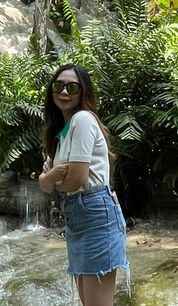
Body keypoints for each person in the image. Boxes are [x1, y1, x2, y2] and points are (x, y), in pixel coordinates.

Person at [39, 63, 129, 306]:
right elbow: (45, 183)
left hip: (96, 214)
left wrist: (53, 180)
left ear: (83, 92)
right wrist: (51, 178)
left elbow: (76, 179)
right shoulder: (61, 132)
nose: (64, 92)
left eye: (73, 87)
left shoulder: (82, 119)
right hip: (78, 217)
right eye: (59, 86)